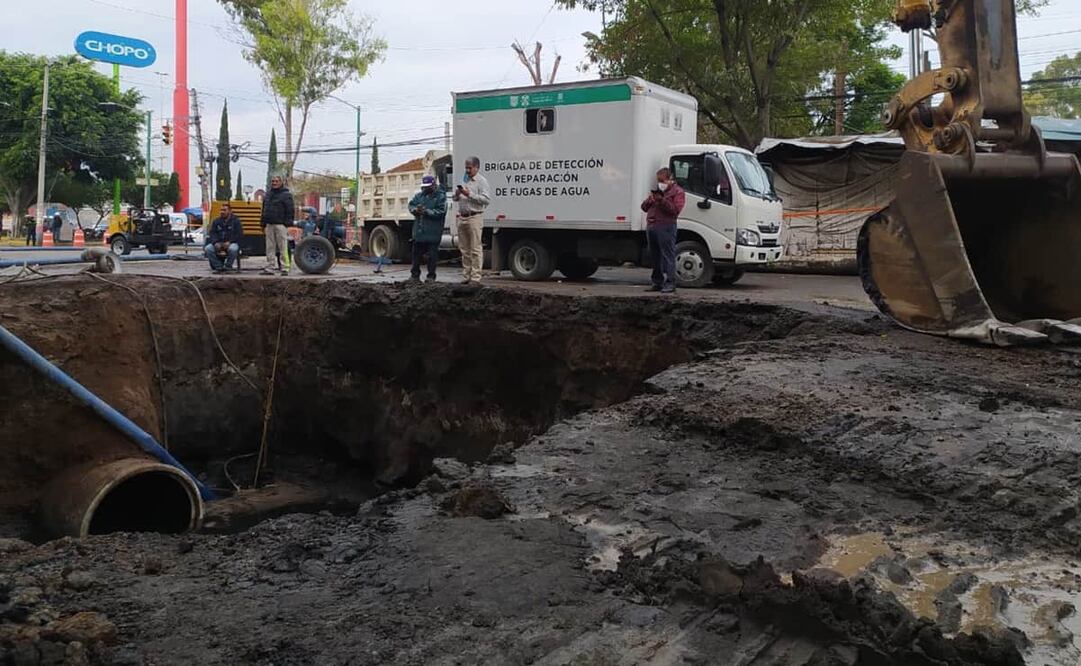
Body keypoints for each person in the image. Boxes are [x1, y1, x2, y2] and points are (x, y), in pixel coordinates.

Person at [641, 167, 686, 294]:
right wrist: (650, 199)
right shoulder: (656, 193)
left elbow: (675, 211)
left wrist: (662, 201)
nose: (660, 184)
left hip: (666, 226)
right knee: (655, 256)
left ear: (670, 180)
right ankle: (657, 282)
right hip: (652, 226)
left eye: (662, 181)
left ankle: (670, 283)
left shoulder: (678, 192)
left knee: (668, 255)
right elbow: (643, 207)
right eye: (658, 181)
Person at [453, 156, 491, 284]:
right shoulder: (464, 179)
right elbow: (455, 198)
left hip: (475, 216)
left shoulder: (481, 181)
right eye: (466, 168)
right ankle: (466, 276)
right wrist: (458, 194)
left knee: (475, 248)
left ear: (477, 167)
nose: (467, 170)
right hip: (462, 216)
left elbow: (486, 200)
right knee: (464, 249)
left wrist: (469, 194)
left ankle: (476, 277)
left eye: (470, 168)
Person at [408, 175, 447, 283]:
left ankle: (431, 276)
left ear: (434, 185)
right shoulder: (419, 196)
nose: (425, 189)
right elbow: (411, 206)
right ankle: (415, 275)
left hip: (433, 232)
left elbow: (441, 211)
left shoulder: (441, 197)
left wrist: (427, 211)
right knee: (416, 254)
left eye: (427, 186)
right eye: (424, 186)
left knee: (432, 255)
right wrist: (416, 210)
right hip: (419, 232)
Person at [261, 175, 295, 275]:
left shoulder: (286, 195)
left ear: (281, 182)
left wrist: (287, 224)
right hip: (269, 224)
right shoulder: (268, 194)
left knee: (283, 247)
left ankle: (285, 268)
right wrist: (262, 223)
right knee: (269, 247)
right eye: (273, 181)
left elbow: (290, 210)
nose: (274, 183)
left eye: (276, 181)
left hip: (281, 225)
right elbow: (264, 210)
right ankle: (270, 267)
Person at [204, 203, 244, 273]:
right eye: (221, 210)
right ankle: (219, 267)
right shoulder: (216, 221)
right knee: (208, 249)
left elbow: (239, 234)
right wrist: (215, 242)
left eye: (224, 210)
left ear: (230, 211)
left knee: (233, 249)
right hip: (219, 243)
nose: (222, 212)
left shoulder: (236, 221)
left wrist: (230, 242)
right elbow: (212, 233)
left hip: (231, 243)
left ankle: (228, 267)